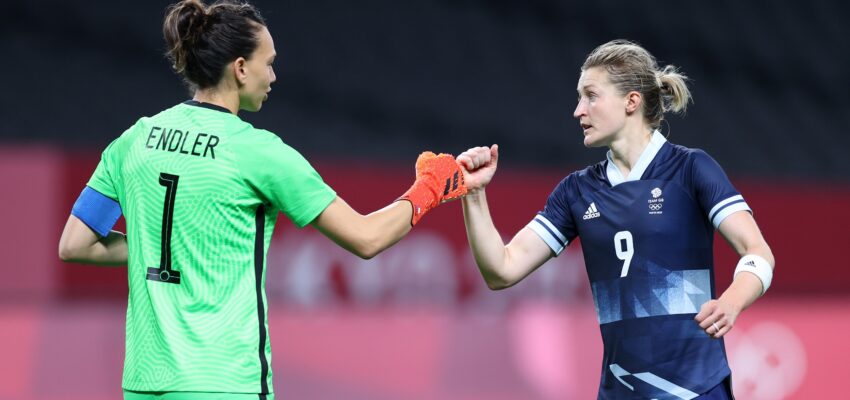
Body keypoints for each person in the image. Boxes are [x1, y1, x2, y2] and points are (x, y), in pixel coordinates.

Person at [56, 1, 466, 399]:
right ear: (239, 69)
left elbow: (75, 244)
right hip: (225, 381)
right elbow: (366, 237)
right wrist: (430, 188)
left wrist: (171, 245)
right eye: (267, 63)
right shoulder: (259, 152)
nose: (273, 76)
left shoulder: (135, 139)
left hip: (144, 381)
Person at [457, 40, 774, 399]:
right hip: (619, 392)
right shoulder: (576, 191)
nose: (578, 111)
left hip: (696, 388)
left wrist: (732, 302)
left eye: (591, 96)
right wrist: (474, 194)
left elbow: (758, 252)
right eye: (579, 98)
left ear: (631, 102)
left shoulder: (690, 169)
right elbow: (501, 270)